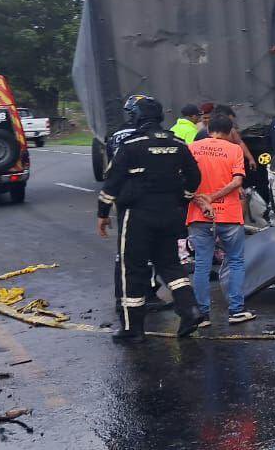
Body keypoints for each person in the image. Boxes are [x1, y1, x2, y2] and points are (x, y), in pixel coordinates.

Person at [96, 95, 206, 343]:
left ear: (136, 117)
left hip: (137, 215)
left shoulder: (132, 144)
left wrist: (103, 213)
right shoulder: (177, 143)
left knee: (132, 268)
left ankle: (132, 328)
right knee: (170, 265)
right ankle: (190, 310)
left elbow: (112, 182)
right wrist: (183, 199)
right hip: (169, 213)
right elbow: (194, 176)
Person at [187, 114, 256, 326]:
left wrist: (203, 199)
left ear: (209, 130)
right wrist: (215, 197)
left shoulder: (191, 148)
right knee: (235, 261)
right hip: (229, 214)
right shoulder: (234, 149)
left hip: (200, 215)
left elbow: (185, 180)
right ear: (229, 132)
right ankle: (236, 311)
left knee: (202, 264)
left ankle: (203, 315)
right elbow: (237, 181)